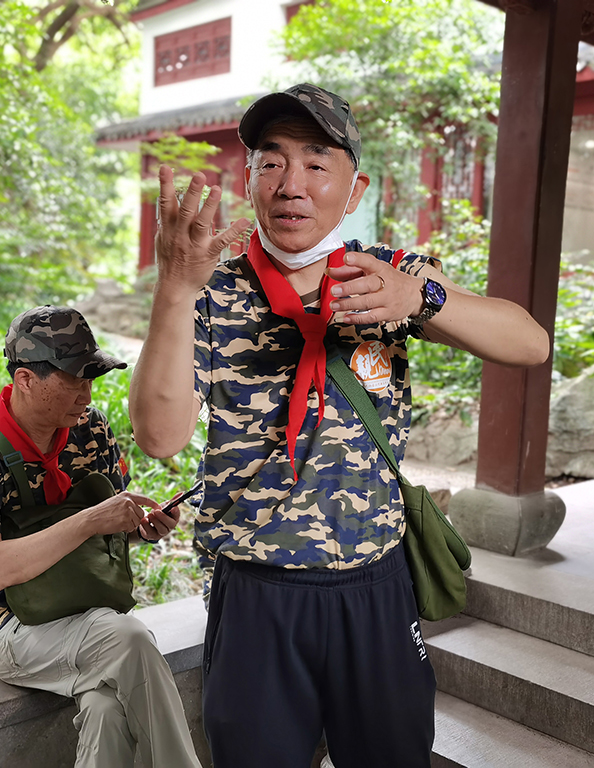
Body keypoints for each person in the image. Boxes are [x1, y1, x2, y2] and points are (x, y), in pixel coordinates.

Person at [129, 83, 550, 768]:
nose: (291, 183)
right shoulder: (212, 290)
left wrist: (423, 296)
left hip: (375, 585)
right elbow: (159, 435)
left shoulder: (389, 275)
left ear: (354, 192)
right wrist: (174, 289)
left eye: (317, 163)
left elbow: (529, 344)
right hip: (257, 591)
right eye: (271, 162)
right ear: (250, 180)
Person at [0, 305, 202, 768]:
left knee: (106, 708)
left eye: (91, 378)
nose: (86, 394)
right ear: (25, 379)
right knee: (130, 638)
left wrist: (140, 528)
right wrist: (90, 520)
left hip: (90, 613)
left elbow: (106, 534)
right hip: (13, 630)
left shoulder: (90, 431)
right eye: (74, 380)